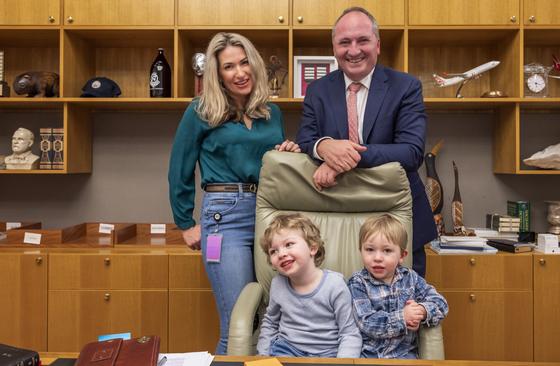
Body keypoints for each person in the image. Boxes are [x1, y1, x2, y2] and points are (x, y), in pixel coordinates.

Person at [168, 32, 299, 355]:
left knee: (269, 316)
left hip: (269, 215)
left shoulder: (271, 113)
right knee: (238, 323)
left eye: (244, 63)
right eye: (229, 66)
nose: (240, 72)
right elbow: (179, 167)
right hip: (223, 216)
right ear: (217, 73)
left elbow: (272, 166)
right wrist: (185, 223)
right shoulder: (200, 110)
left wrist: (288, 152)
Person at [295, 7, 436, 276]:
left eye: (363, 40)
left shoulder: (405, 86)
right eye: (344, 42)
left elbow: (411, 152)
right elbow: (306, 138)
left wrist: (342, 159)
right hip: (338, 217)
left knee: (403, 310)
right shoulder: (317, 90)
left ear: (378, 45)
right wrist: (324, 146)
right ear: (334, 48)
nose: (353, 50)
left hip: (398, 219)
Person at [257, 213, 362, 358]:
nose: (281, 254)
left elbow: (349, 333)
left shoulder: (335, 285)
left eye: (289, 244)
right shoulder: (278, 284)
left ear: (313, 248)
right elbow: (270, 323)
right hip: (287, 350)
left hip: (327, 355)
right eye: (273, 251)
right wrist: (262, 355)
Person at [348, 214, 448, 359]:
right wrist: (403, 317)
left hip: (404, 355)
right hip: (369, 356)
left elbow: (441, 303)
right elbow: (367, 323)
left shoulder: (410, 278)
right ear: (361, 251)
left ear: (402, 255)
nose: (377, 258)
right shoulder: (357, 283)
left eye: (387, 251)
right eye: (370, 249)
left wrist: (421, 312)